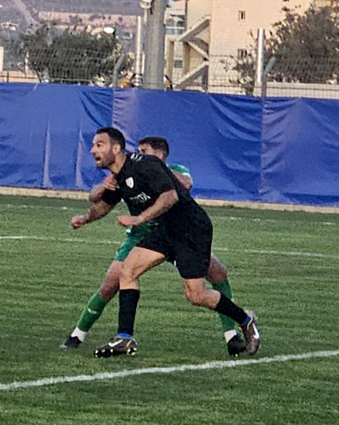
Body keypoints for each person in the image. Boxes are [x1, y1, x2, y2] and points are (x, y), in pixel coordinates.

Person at [71, 127, 259, 358]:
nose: (93, 150)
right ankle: (125, 338)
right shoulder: (119, 176)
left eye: (99, 145)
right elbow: (103, 205)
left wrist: (139, 218)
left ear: (116, 148)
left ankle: (245, 320)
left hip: (190, 228)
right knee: (127, 271)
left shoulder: (144, 164)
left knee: (196, 295)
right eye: (93, 145)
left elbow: (171, 196)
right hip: (164, 229)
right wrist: (85, 218)